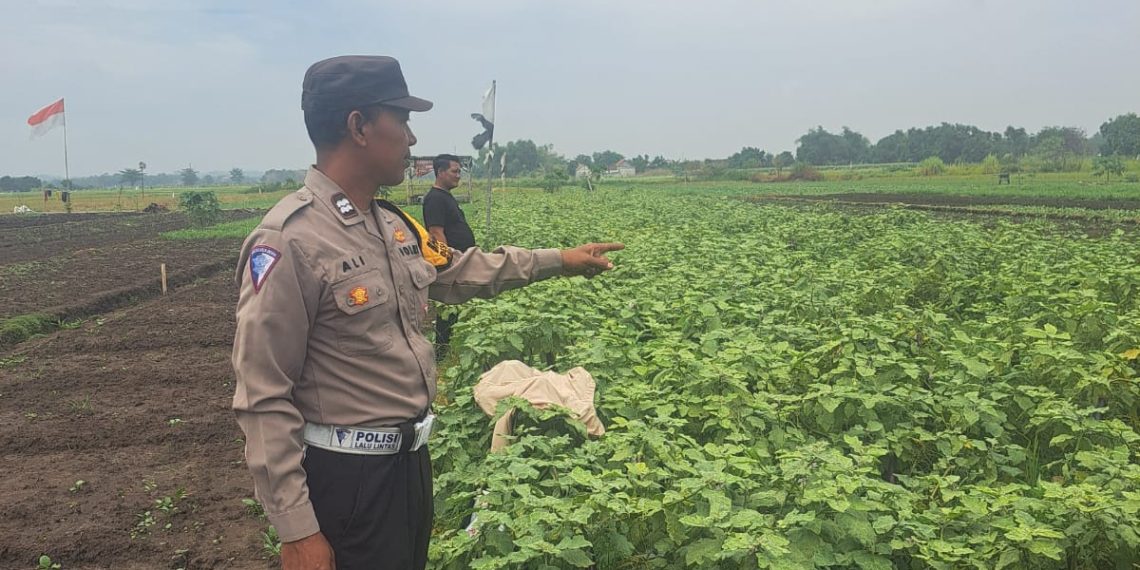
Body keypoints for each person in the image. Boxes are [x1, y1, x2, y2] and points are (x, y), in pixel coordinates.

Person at [231, 55, 622, 570]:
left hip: (408, 466)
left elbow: (457, 271)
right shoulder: (291, 239)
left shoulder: (390, 224)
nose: (412, 139)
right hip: (346, 481)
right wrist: (297, 530)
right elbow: (262, 393)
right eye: (402, 120)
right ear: (359, 126)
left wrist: (559, 261)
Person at [421, 153, 475, 357]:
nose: (458, 175)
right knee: (448, 306)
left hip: (458, 259)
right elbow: (436, 232)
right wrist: (448, 262)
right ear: (440, 172)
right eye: (455, 171)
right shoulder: (435, 199)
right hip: (451, 262)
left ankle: (449, 347)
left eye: (459, 172)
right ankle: (442, 351)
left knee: (455, 305)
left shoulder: (445, 196)